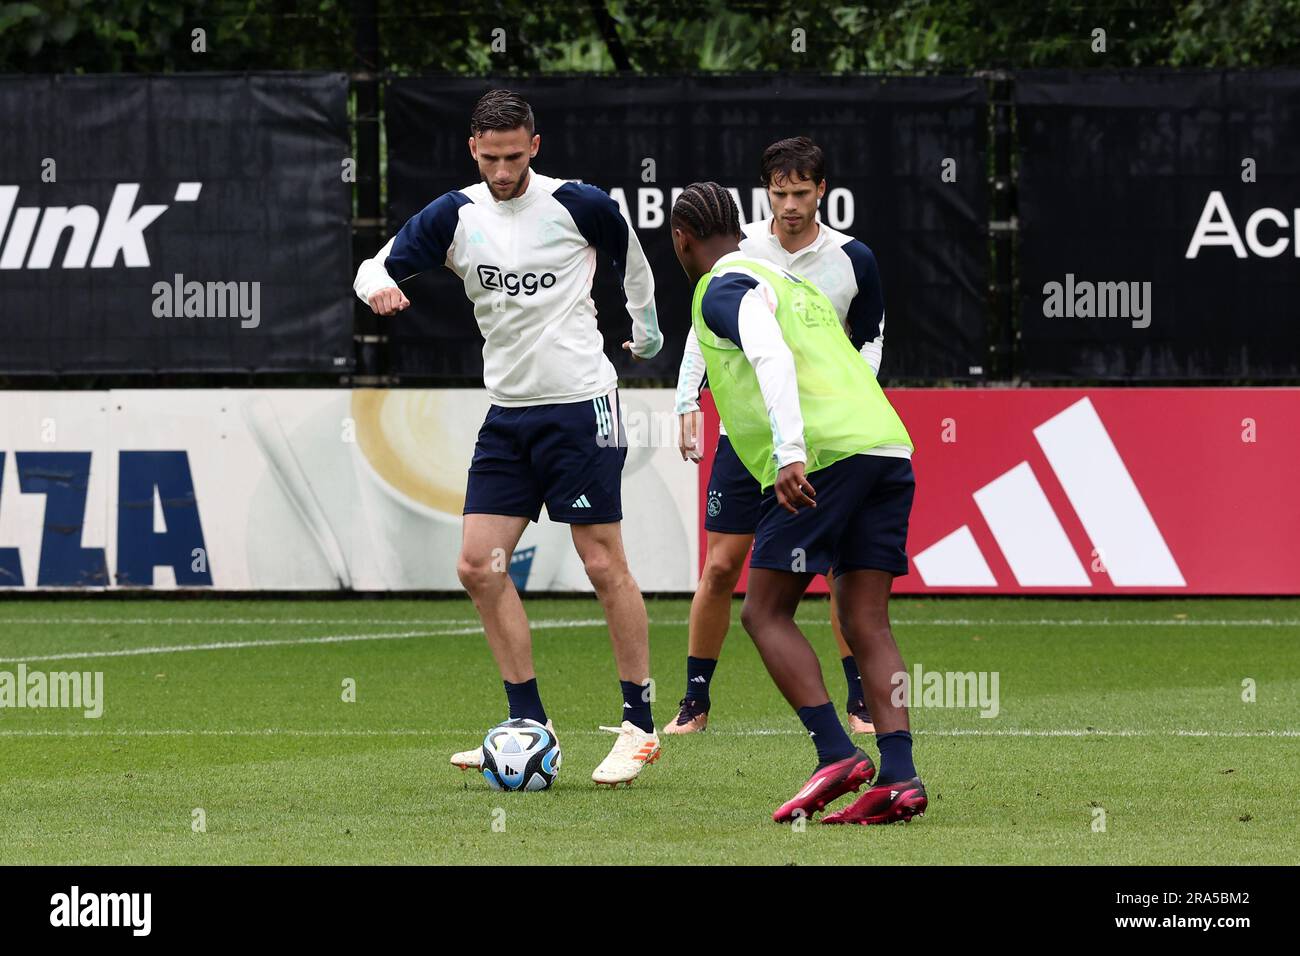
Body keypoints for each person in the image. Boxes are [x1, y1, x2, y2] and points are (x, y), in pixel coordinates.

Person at [354, 89, 664, 787]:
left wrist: (645, 332)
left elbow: (633, 263)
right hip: (508, 414)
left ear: (535, 146)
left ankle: (639, 726)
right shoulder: (455, 215)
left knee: (601, 563)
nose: (502, 171)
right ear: (473, 149)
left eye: (514, 157)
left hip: (581, 404)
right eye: (490, 158)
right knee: (476, 565)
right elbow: (374, 265)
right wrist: (377, 287)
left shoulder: (579, 204)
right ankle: (529, 721)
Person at [668, 181, 927, 824]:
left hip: (826, 456)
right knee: (865, 618)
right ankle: (899, 775)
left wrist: (789, 453)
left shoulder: (721, 287)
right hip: (886, 446)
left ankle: (835, 752)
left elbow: (767, 351)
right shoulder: (795, 285)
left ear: (682, 240)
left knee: (763, 612)